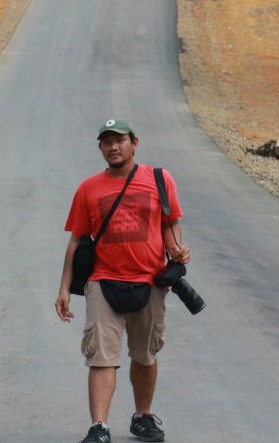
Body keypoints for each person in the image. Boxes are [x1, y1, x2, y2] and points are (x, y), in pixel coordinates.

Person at [56, 118, 190, 443]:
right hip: (103, 282)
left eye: (120, 140)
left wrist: (177, 254)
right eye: (106, 141)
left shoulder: (160, 179)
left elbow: (170, 223)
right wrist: (64, 288)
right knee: (101, 356)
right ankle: (99, 427)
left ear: (135, 143)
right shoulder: (89, 188)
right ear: (100, 147)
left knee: (145, 355)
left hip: (150, 282)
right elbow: (77, 241)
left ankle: (142, 417)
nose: (113, 147)